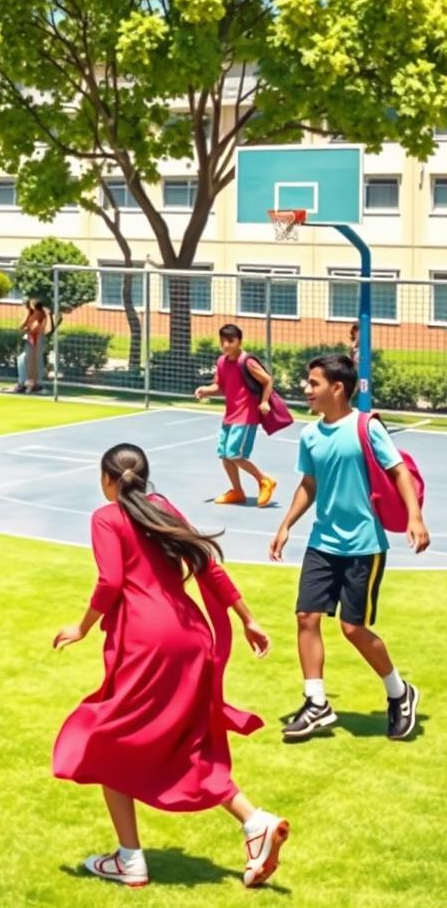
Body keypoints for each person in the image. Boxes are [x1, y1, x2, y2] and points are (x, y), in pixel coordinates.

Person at [52, 442, 286, 889]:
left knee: (104, 740)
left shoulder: (106, 517)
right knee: (187, 742)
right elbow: (207, 565)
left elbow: (111, 581)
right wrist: (248, 618)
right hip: (190, 637)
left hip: (146, 643)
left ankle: (129, 859)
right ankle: (255, 822)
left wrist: (82, 627)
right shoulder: (161, 507)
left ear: (107, 481)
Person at [270, 354, 428, 741]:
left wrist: (415, 518)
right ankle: (316, 703)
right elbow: (310, 484)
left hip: (363, 545)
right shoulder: (310, 435)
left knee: (352, 628)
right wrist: (286, 524)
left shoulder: (365, 427)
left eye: (313, 383)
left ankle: (398, 691)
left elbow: (399, 473)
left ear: (337, 388)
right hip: (322, 543)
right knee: (306, 616)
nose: (306, 390)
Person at [193, 323, 278, 507]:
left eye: (230, 341)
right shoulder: (222, 362)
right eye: (223, 341)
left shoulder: (247, 361)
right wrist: (206, 390)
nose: (226, 345)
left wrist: (264, 402)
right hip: (230, 416)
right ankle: (237, 491)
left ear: (239, 341)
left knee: (234, 454)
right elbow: (221, 387)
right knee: (225, 455)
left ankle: (265, 481)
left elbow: (267, 380)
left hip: (246, 416)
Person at [15, 300, 48, 393]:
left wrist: (27, 329)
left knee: (33, 362)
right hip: (30, 339)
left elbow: (35, 327)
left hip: (35, 339)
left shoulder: (40, 315)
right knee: (27, 360)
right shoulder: (32, 314)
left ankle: (33, 383)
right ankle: (27, 382)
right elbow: (23, 325)